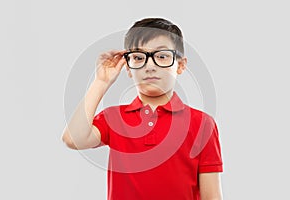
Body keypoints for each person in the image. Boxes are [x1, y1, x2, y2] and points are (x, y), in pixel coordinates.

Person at [62, 17, 223, 200]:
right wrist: (101, 82)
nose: (150, 66)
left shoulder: (202, 124)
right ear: (128, 68)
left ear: (181, 65)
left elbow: (212, 196)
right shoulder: (114, 118)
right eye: (138, 58)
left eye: (162, 56)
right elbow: (73, 139)